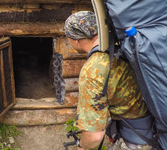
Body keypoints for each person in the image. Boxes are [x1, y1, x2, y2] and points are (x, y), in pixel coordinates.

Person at [64, 11, 155, 150]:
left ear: (76, 40)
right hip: (157, 132)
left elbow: (94, 136)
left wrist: (81, 146)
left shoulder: (93, 69)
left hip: (135, 142)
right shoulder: (121, 46)